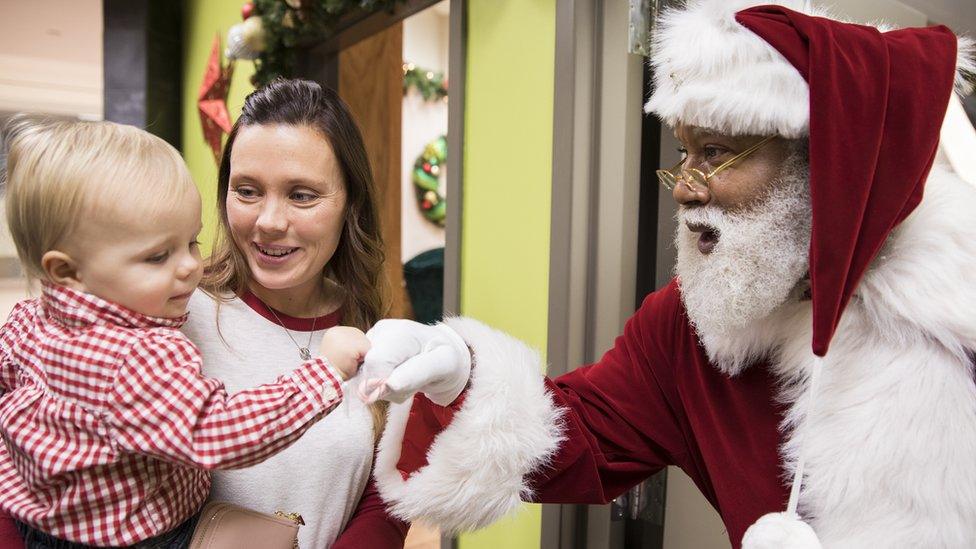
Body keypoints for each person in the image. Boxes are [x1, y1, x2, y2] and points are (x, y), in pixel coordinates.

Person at [359, 1, 976, 548]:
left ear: (821, 160)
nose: (683, 187)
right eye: (684, 152)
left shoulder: (957, 317)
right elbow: (576, 438)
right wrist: (462, 374)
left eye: (713, 152)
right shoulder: (689, 327)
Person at [0, 118, 367, 548]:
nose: (191, 267)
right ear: (66, 271)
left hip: (42, 527)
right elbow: (220, 430)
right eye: (158, 256)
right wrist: (323, 373)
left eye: (192, 242)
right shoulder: (142, 355)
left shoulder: (27, 320)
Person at [182, 78, 407, 549]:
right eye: (247, 191)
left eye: (301, 195)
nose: (268, 221)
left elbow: (384, 496)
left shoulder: (370, 328)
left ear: (350, 204)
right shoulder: (176, 311)